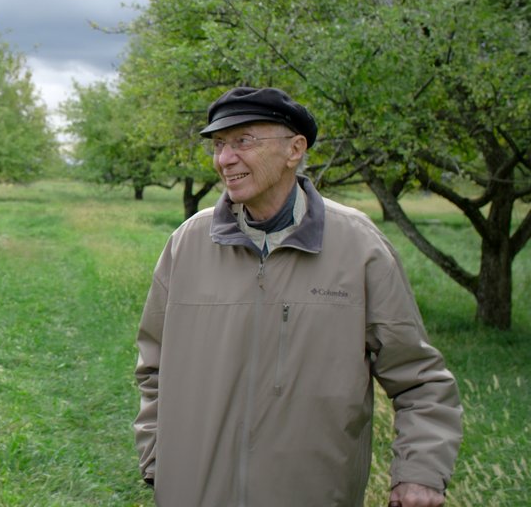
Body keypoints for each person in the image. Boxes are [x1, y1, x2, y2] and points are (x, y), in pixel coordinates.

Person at [133, 86, 463, 507]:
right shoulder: (188, 244)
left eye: (243, 141)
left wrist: (419, 473)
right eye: (219, 145)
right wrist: (158, 459)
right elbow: (152, 368)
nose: (224, 159)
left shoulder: (359, 246)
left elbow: (418, 378)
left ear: (295, 149)